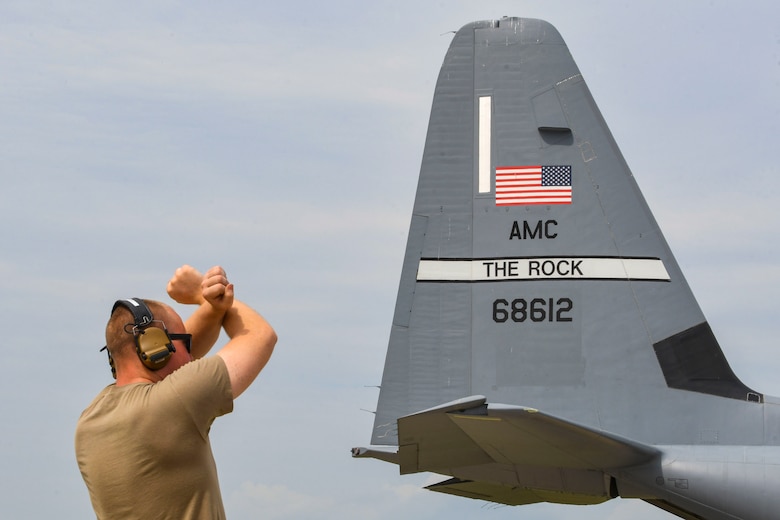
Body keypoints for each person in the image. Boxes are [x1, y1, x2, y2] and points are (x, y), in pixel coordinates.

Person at [75, 265, 277, 519]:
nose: (192, 355)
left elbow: (176, 362)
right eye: (185, 341)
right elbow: (261, 336)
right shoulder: (175, 402)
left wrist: (213, 308)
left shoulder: (89, 421)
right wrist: (200, 293)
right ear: (155, 346)